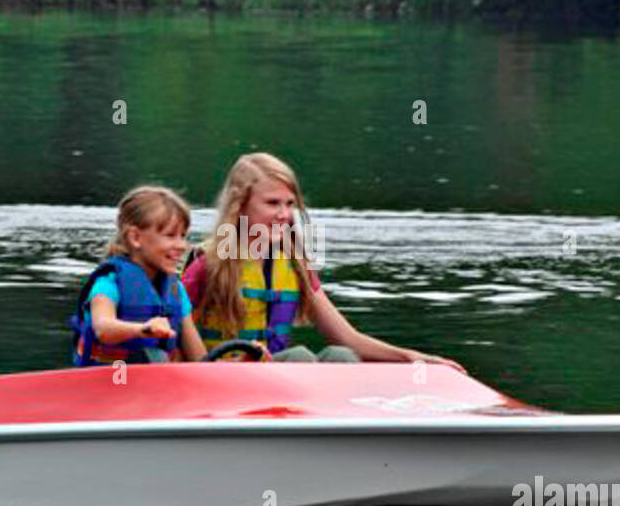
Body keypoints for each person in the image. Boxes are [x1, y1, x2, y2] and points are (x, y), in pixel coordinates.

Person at [182, 152, 465, 370]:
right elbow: (175, 333)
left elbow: (346, 337)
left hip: (273, 380)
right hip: (220, 380)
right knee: (299, 357)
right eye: (272, 203)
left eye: (289, 204)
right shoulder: (207, 264)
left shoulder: (295, 265)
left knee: (341, 356)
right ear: (240, 204)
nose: (284, 214)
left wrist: (412, 358)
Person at [69, 185, 207, 367]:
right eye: (170, 235)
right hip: (107, 384)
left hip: (154, 388)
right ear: (135, 237)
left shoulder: (176, 289)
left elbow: (200, 360)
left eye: (183, 236)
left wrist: (239, 365)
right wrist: (142, 329)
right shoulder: (109, 282)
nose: (181, 245)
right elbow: (103, 328)